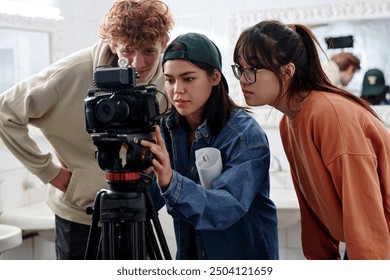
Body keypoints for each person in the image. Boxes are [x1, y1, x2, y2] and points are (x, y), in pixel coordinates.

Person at [0, 0, 174, 260]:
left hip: (137, 206)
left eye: (150, 51)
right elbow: (5, 111)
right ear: (113, 43)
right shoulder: (71, 72)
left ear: (162, 44)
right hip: (80, 217)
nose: (138, 64)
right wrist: (49, 171)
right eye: (128, 50)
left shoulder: (167, 75)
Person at [232, 20, 390, 260]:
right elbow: (313, 205)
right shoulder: (289, 122)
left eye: (251, 70)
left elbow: (365, 214)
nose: (242, 79)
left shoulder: (329, 114)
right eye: (240, 69)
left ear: (287, 71)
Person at [141, 32, 279, 260]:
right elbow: (150, 204)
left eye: (188, 78)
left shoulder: (245, 135)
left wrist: (169, 180)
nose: (177, 90)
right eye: (170, 79)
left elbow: (226, 208)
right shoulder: (166, 128)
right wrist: (142, 171)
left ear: (215, 77)